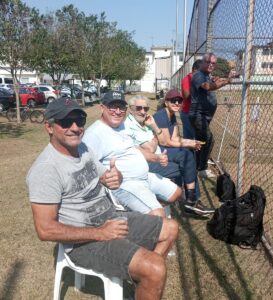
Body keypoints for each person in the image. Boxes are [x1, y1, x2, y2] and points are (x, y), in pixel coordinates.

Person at [27, 97, 179, 300]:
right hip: (85, 242)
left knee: (171, 228)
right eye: (65, 122)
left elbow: (106, 177)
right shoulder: (46, 169)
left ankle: (142, 282)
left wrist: (116, 177)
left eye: (79, 121)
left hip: (111, 219)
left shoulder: (82, 149)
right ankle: (148, 275)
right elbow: (45, 230)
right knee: (155, 268)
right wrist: (100, 233)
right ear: (49, 127)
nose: (75, 128)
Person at [83, 90, 182, 218]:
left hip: (144, 177)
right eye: (113, 107)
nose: (118, 111)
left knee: (177, 193)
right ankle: (145, 213)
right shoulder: (94, 134)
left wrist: (156, 158)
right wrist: (106, 178)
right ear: (102, 108)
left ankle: (141, 211)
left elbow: (135, 150)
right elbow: (86, 168)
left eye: (121, 107)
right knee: (158, 215)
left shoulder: (122, 127)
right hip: (125, 184)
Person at [153, 89, 215, 215]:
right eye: (173, 101)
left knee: (189, 153)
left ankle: (192, 199)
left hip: (166, 148)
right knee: (186, 155)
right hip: (158, 151)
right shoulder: (161, 115)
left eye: (179, 101)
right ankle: (191, 200)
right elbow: (166, 142)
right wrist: (189, 144)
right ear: (166, 102)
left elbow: (175, 138)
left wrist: (191, 142)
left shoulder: (172, 115)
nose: (177, 103)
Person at [189, 53, 236, 178]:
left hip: (204, 116)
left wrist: (224, 79)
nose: (211, 64)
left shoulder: (206, 75)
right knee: (209, 140)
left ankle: (197, 165)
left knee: (202, 141)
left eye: (213, 63)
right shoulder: (198, 75)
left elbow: (213, 82)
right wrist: (227, 81)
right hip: (198, 115)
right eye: (208, 62)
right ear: (203, 62)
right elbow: (208, 87)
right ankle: (202, 168)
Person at [123, 94, 182, 185]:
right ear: (131, 109)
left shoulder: (146, 121)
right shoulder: (129, 126)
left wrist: (154, 125)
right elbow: (150, 149)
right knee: (181, 167)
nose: (143, 112)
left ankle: (189, 194)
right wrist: (155, 137)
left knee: (186, 155)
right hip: (147, 163)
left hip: (159, 154)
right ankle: (185, 195)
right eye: (139, 108)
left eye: (146, 109)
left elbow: (161, 140)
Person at [180, 59, 202, 140]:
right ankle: (190, 152)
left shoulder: (199, 79)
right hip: (188, 113)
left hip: (195, 113)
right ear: (195, 70)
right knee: (192, 138)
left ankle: (190, 152)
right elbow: (186, 96)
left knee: (192, 138)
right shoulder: (187, 79)